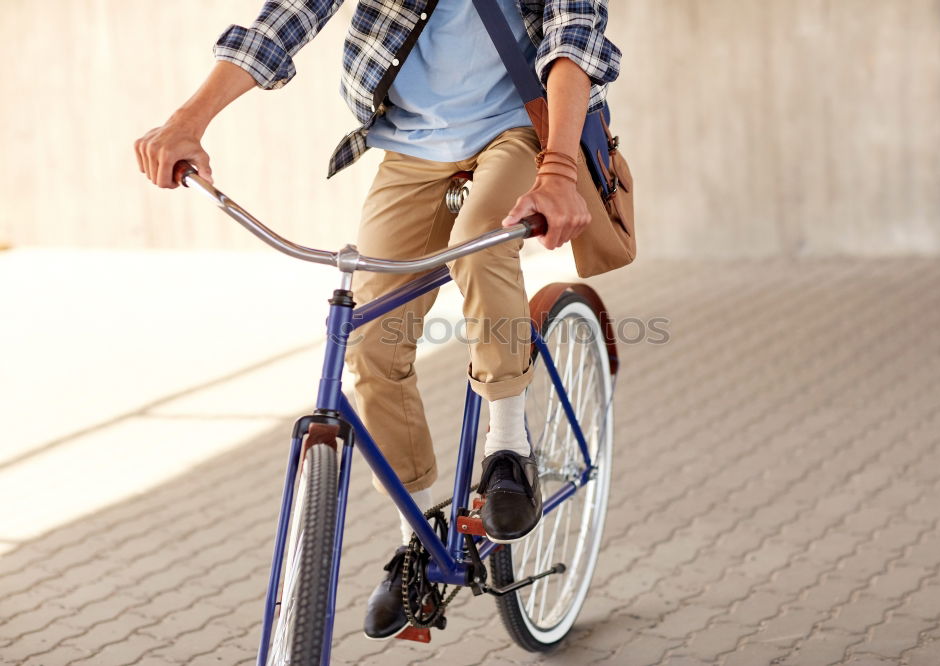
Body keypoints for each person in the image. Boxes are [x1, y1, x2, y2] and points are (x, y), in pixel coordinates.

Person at [135, 0, 620, 641]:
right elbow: (285, 21)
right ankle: (415, 540)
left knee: (482, 240)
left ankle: (509, 449)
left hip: (518, 131)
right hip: (411, 144)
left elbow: (573, 36)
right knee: (367, 344)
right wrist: (188, 120)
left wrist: (558, 169)